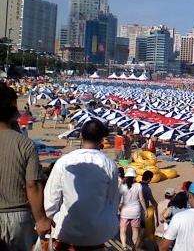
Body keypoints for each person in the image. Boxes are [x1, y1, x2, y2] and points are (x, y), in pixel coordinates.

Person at [44, 119, 120, 249]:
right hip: (97, 234)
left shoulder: (64, 161)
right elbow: (112, 200)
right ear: (102, 140)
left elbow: (51, 198)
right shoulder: (109, 164)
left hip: (67, 231)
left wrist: (51, 218)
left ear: (81, 136)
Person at [0, 82, 52, 251]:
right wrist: (41, 219)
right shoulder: (24, 144)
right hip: (17, 217)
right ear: (13, 113)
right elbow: (33, 185)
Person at [119, 167, 146, 249]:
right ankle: (135, 246)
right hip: (136, 212)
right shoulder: (138, 185)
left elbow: (120, 200)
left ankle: (124, 246)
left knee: (123, 230)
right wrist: (145, 210)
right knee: (135, 231)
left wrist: (119, 208)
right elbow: (141, 199)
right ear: (134, 177)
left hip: (125, 212)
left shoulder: (122, 186)